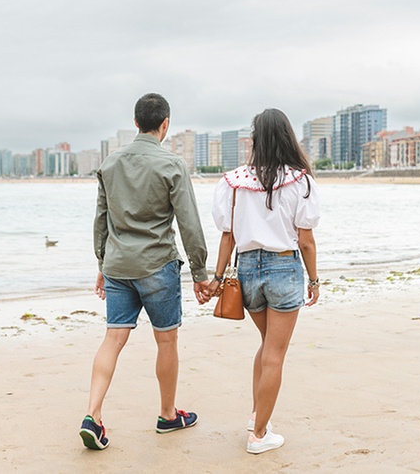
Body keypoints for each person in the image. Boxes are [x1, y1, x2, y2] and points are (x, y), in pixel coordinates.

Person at [80, 93, 211, 450]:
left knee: (113, 338)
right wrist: (201, 271)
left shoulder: (110, 164)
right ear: (164, 124)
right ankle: (168, 415)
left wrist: (101, 264)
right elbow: (189, 223)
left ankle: (93, 415)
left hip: (118, 266)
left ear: (136, 122)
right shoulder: (172, 164)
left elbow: (101, 220)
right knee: (166, 339)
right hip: (156, 265)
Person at [202, 108, 320, 454]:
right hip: (284, 267)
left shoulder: (234, 182)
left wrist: (218, 278)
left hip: (248, 270)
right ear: (287, 137)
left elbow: (228, 236)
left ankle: (258, 414)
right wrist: (314, 280)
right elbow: (307, 240)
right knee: (275, 354)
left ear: (255, 139)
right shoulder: (300, 180)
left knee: (268, 345)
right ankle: (258, 434)